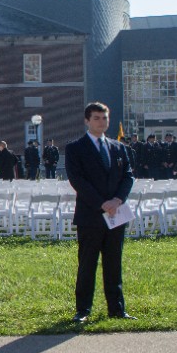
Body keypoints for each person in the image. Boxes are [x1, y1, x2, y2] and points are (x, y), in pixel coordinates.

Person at [66, 102, 135, 323]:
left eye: (104, 118)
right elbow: (78, 180)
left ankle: (117, 308)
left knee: (114, 263)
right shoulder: (76, 148)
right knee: (87, 263)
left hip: (116, 214)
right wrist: (101, 203)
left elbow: (128, 176)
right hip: (91, 215)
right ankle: (83, 310)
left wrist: (117, 200)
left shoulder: (118, 147)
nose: (101, 122)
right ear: (87, 120)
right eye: (96, 118)